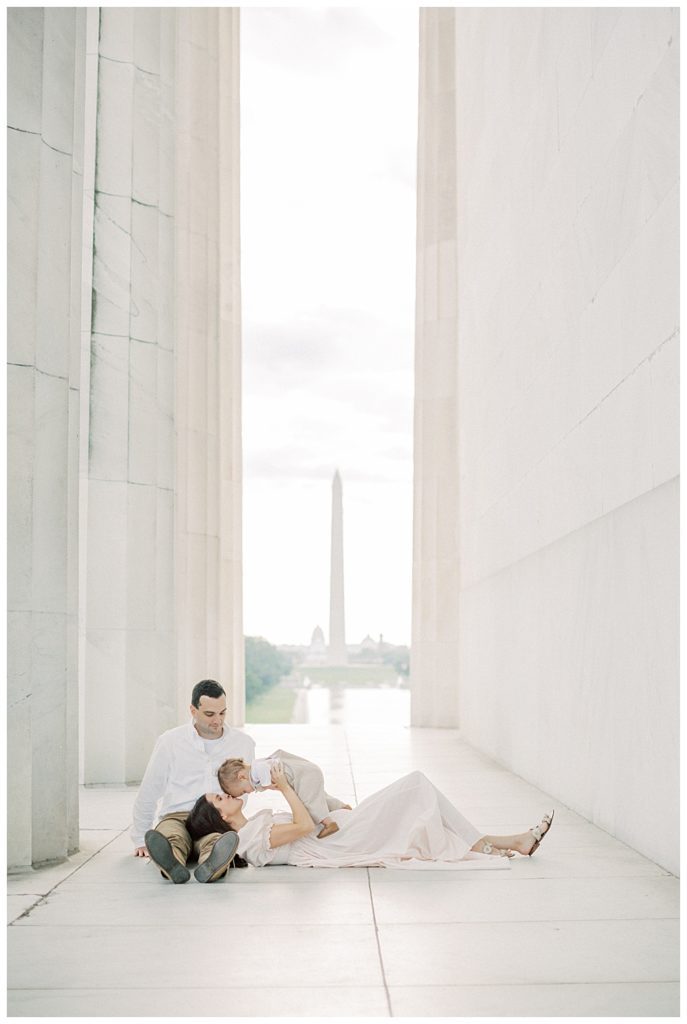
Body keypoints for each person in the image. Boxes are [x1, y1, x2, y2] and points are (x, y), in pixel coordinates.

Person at [186, 763, 555, 870]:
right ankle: (496, 844)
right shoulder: (250, 840)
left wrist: (332, 806)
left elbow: (308, 816)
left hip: (341, 830)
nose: (230, 794)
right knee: (416, 786)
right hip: (341, 844)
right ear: (221, 817)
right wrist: (283, 786)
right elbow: (301, 827)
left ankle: (509, 842)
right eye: (221, 797)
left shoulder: (256, 823)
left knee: (419, 795)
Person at [131, 679, 256, 883]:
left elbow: (245, 789)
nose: (218, 720)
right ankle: (172, 864)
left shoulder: (243, 743)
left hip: (216, 817)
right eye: (209, 714)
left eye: (222, 713)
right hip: (177, 816)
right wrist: (139, 838)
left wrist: (230, 819)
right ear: (193, 710)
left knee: (216, 842)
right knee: (171, 838)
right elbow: (150, 789)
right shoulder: (170, 741)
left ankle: (212, 866)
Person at [218, 750, 352, 839]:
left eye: (243, 791)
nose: (248, 792)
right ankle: (342, 807)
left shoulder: (257, 769)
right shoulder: (256, 768)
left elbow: (265, 776)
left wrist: (268, 785)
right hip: (306, 773)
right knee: (319, 797)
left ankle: (329, 823)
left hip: (304, 776)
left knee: (309, 803)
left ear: (241, 777)